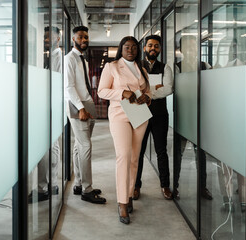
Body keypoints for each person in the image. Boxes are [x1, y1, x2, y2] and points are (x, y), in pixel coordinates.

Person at [98, 36, 151, 224]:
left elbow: (148, 92)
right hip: (120, 114)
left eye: (134, 47)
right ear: (121, 49)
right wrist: (122, 93)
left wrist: (147, 97)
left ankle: (129, 196)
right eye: (127, 47)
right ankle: (121, 203)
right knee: (123, 155)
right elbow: (101, 91)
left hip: (139, 115)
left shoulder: (141, 68)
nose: (131, 50)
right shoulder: (112, 67)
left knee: (135, 158)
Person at [64, 26, 106, 204]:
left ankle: (80, 183)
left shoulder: (84, 59)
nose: (84, 40)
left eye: (86, 37)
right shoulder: (69, 59)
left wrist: (88, 105)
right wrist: (80, 108)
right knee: (86, 146)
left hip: (88, 103)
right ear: (74, 39)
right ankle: (87, 190)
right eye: (80, 37)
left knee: (78, 146)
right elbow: (68, 87)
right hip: (77, 105)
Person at [133, 35, 174, 201]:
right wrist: (157, 90)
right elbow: (133, 87)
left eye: (156, 46)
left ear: (159, 49)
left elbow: (169, 89)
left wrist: (148, 94)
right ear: (144, 48)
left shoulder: (166, 68)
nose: (153, 49)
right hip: (140, 114)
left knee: (161, 151)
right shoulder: (136, 66)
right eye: (150, 46)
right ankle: (135, 186)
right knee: (139, 151)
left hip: (159, 115)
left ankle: (165, 185)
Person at [174, 35, 212, 200]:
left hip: (200, 117)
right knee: (178, 154)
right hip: (183, 117)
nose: (191, 50)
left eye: (193, 46)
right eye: (187, 47)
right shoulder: (176, 67)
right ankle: (174, 186)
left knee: (201, 154)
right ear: (181, 50)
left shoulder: (205, 66)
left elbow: (211, 88)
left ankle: (202, 187)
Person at [28, 26, 62, 203]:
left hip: (50, 106)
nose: (46, 40)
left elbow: (54, 82)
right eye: (45, 37)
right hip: (48, 106)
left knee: (47, 146)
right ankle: (51, 184)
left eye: (49, 38)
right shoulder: (48, 56)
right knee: (51, 145)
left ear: (58, 39)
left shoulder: (58, 57)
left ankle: (44, 187)